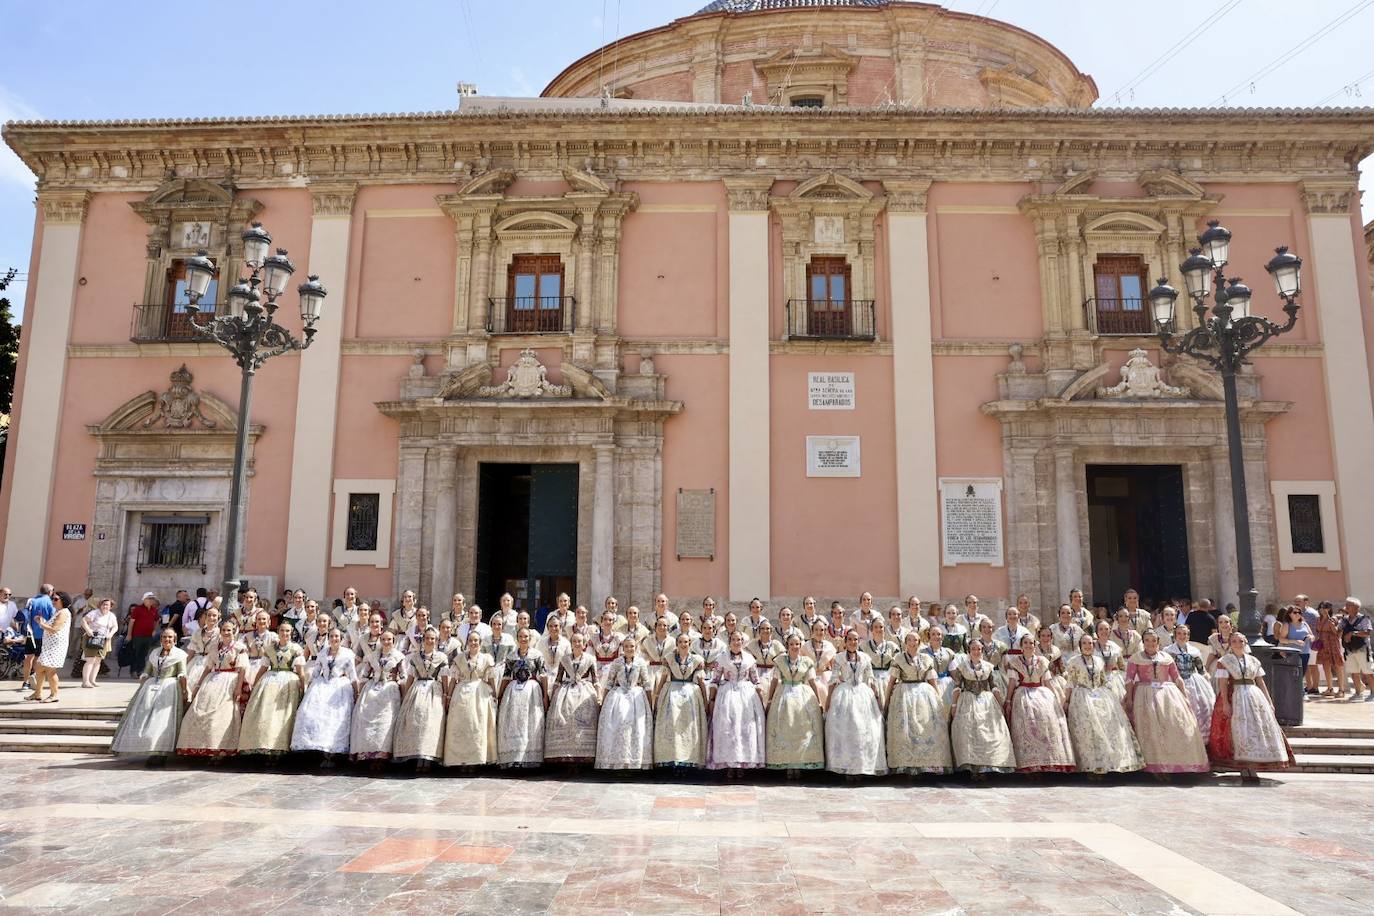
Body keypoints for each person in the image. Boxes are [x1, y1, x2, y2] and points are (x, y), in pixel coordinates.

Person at [1125, 630, 1210, 775]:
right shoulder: (1136, 658)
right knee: (1149, 728)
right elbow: (1129, 680)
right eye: (1147, 640)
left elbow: (1177, 678)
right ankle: (1152, 765)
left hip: (1167, 694)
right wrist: (1129, 698)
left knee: (1174, 725)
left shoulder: (1166, 657)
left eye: (1153, 641)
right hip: (1144, 694)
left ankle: (1175, 763)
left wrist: (1184, 696)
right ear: (1143, 642)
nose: (1150, 643)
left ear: (1158, 642)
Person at [1209, 632, 1295, 775]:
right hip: (1236, 694)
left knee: (1258, 729)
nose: (1238, 643)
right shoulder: (1225, 661)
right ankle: (1244, 767)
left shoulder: (1253, 661)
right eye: (1234, 641)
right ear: (1230, 643)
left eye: (1240, 641)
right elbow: (1223, 683)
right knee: (1241, 730)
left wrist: (1269, 701)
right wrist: (1225, 702)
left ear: (1245, 643)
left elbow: (1260, 682)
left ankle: (1253, 766)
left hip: (1254, 696)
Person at [1063, 634, 1143, 775]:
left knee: (1108, 727)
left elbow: (1103, 679)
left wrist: (1113, 693)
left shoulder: (1099, 660)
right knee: (1088, 729)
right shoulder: (1073, 661)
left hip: (1100, 694)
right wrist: (1067, 700)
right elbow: (1070, 682)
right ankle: (1091, 766)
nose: (1087, 646)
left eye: (1090, 643)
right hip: (1082, 695)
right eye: (1084, 643)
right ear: (1080, 646)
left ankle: (1107, 764)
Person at [111, 628, 189, 759]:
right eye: (164, 637)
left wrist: (184, 688)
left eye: (170, 637)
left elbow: (181, 672)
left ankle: (160, 752)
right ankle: (145, 748)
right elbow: (148, 670)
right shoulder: (154, 653)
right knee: (142, 717)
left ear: (175, 640)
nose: (167, 640)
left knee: (161, 720)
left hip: (169, 689)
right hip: (151, 687)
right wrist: (144, 676)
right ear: (160, 639)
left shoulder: (179, 654)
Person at [1003, 633, 1075, 773]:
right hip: (1023, 693)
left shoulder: (1042, 661)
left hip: (1040, 692)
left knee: (1047, 721)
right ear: (1021, 646)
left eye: (1031, 643)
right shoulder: (1015, 662)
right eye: (1026, 643)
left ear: (1035, 646)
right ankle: (1030, 764)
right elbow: (1012, 682)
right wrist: (1008, 699)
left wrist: (1056, 698)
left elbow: (1047, 682)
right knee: (1027, 723)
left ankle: (1048, 762)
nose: (1029, 646)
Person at [885, 631, 953, 775]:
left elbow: (932, 681)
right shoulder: (898, 658)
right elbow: (891, 681)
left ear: (919, 642)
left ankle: (926, 764)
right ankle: (906, 765)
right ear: (905, 642)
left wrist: (938, 699)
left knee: (925, 727)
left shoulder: (926, 659)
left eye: (915, 640)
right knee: (906, 729)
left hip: (924, 694)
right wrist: (887, 702)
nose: (912, 643)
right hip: (904, 694)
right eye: (909, 640)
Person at [176, 621, 247, 758]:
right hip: (213, 679)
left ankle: (219, 749)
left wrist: (238, 687)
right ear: (220, 632)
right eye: (224, 630)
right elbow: (208, 667)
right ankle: (198, 747)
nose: (226, 633)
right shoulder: (214, 647)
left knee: (221, 714)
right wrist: (198, 685)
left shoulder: (239, 648)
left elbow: (242, 669)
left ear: (234, 632)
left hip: (229, 679)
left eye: (229, 630)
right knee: (198, 710)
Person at [824, 629, 886, 777]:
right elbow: (833, 679)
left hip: (862, 694)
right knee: (845, 729)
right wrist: (828, 701)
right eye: (850, 639)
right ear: (845, 642)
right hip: (844, 694)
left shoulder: (865, 658)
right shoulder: (839, 658)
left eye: (856, 639)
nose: (853, 642)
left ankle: (861, 766)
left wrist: (877, 698)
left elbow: (870, 678)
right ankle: (846, 766)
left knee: (865, 729)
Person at [238, 622, 306, 756]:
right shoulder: (269, 648)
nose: (284, 634)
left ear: (291, 633)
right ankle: (264, 744)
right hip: (270, 679)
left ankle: (281, 747)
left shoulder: (295, 648)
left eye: (287, 631)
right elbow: (263, 669)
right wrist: (255, 686)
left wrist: (303, 688)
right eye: (282, 631)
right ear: (278, 632)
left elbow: (300, 671)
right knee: (266, 712)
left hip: (288, 681)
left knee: (283, 714)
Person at [950, 638, 1015, 775]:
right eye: (973, 649)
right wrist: (954, 705)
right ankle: (972, 768)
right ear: (968, 651)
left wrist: (1000, 704)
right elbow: (957, 687)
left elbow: (994, 686)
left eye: (979, 649)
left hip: (986, 701)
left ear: (982, 651)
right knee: (969, 732)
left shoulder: (988, 666)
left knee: (990, 731)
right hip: (968, 700)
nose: (976, 651)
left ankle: (987, 766)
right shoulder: (962, 666)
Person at [290, 628, 357, 761]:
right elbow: (316, 672)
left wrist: (357, 691)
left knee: (335, 717)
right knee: (312, 713)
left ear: (341, 638)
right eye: (331, 636)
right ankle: (318, 749)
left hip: (339, 686)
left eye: (337, 636)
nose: (334, 639)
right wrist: (309, 688)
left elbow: (353, 675)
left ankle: (333, 752)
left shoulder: (347, 654)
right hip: (322, 685)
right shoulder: (322, 653)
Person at [708, 630, 767, 774]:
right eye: (734, 639)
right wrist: (712, 699)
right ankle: (729, 764)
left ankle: (742, 764)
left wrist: (761, 698)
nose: (737, 642)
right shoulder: (722, 658)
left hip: (746, 695)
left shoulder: (749, 659)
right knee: (728, 728)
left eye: (739, 639)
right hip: (727, 694)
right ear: (729, 642)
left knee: (745, 729)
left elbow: (756, 680)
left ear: (743, 641)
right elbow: (715, 679)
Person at [765, 633, 825, 774]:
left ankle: (799, 764)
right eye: (791, 644)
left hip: (802, 695)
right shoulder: (780, 661)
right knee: (784, 728)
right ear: (787, 646)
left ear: (800, 645)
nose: (794, 647)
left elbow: (811, 681)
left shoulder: (806, 661)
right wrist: (769, 699)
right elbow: (774, 681)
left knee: (803, 730)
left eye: (797, 644)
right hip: (784, 694)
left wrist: (818, 700)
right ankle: (787, 764)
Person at [595, 637, 654, 770]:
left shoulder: (640, 662)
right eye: (626, 646)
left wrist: (650, 705)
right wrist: (603, 702)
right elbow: (609, 682)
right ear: (622, 647)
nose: (629, 649)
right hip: (618, 696)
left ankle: (633, 762)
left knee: (636, 728)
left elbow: (646, 684)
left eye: (632, 646)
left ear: (635, 647)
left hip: (636, 698)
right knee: (618, 724)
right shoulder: (616, 662)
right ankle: (617, 762)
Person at [393, 627, 448, 769]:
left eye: (433, 639)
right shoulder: (415, 658)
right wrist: (406, 695)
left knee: (431, 723)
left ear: (436, 641)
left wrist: (446, 694)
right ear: (423, 640)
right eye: (428, 638)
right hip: (417, 690)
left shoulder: (442, 658)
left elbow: (444, 678)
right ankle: (418, 757)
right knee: (417, 722)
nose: (430, 641)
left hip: (434, 689)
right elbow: (410, 677)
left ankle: (428, 759)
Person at [443, 631, 498, 768]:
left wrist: (495, 695)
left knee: (476, 725)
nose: (473, 643)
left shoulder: (486, 658)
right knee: (461, 724)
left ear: (480, 643)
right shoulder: (459, 658)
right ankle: (461, 760)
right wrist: (449, 697)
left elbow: (490, 678)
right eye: (471, 640)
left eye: (476, 641)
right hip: (461, 692)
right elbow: (453, 680)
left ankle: (475, 760)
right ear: (467, 642)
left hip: (479, 693)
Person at [351, 629, 406, 763]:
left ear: (394, 641)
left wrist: (401, 691)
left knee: (385, 721)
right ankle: (368, 753)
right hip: (373, 687)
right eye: (383, 640)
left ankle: (382, 756)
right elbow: (364, 675)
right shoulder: (373, 656)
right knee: (365, 716)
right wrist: (360, 691)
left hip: (389, 688)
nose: (386, 642)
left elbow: (403, 676)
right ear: (380, 641)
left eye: (389, 640)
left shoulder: (399, 656)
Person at [545, 631, 600, 765]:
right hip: (567, 690)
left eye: (579, 641)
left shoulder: (590, 659)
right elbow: (558, 679)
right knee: (565, 717)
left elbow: (596, 680)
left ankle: (584, 757)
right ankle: (566, 756)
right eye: (574, 641)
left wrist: (599, 696)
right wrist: (553, 697)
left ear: (584, 644)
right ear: (571, 644)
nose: (577, 644)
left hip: (585, 691)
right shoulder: (565, 659)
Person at [496, 627, 547, 768]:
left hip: (532, 692)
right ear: (517, 639)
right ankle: (514, 757)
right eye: (521, 637)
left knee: (529, 722)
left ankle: (529, 758)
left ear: (530, 639)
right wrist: (499, 695)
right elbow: (506, 676)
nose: (523, 639)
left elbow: (543, 676)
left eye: (526, 637)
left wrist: (545, 695)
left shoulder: (537, 655)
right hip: (513, 692)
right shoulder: (511, 656)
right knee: (515, 722)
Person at [1165, 624, 1215, 737]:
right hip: (1175, 681)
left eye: (1185, 634)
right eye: (1179, 633)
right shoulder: (1168, 651)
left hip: (1193, 680)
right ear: (1174, 635)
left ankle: (1199, 736)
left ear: (1188, 636)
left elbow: (1200, 669)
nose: (1182, 636)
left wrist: (1206, 681)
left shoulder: (1194, 651)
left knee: (1201, 706)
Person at [29, 591, 71, 703]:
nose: (53, 601)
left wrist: (41, 624)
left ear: (63, 600)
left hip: (56, 646)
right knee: (39, 668)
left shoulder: (64, 613)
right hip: (49, 646)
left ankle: (54, 695)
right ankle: (37, 693)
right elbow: (51, 626)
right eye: (53, 598)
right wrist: (41, 621)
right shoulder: (58, 612)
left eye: (56, 599)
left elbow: (54, 629)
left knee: (50, 671)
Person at [1339, 598, 1374, 701]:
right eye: (1346, 604)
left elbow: (1367, 633)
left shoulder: (1364, 619)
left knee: (1368, 671)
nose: (1346, 606)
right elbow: (1338, 632)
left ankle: (1373, 693)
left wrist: (1352, 633)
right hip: (1349, 650)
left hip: (1362, 649)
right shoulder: (1344, 620)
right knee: (1354, 672)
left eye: (1349, 605)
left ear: (1356, 608)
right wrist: (1335, 626)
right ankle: (1358, 693)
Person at [1315, 601, 1346, 698]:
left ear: (1329, 609)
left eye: (1324, 607)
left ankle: (1341, 690)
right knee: (1326, 666)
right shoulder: (1318, 619)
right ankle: (1330, 688)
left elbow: (1337, 632)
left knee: (1337, 666)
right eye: (1320, 607)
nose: (1322, 609)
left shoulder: (1333, 619)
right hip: (1323, 645)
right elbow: (1318, 631)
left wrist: (1329, 621)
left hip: (1333, 644)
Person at [861, 617, 897, 696]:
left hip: (888, 679)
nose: (878, 629)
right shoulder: (864, 646)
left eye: (881, 627)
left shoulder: (892, 646)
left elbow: (896, 666)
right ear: (871, 629)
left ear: (884, 629)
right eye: (875, 627)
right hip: (870, 679)